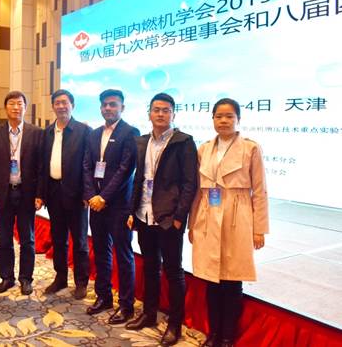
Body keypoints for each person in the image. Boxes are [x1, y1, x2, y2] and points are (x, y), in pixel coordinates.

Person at [188, 98, 269, 347]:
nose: (223, 121)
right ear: (212, 119)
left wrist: (259, 229)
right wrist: (192, 223)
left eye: (229, 116)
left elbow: (260, 190)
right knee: (211, 279)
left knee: (233, 280)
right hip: (207, 215)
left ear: (238, 119)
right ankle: (213, 333)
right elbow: (197, 191)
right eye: (219, 116)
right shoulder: (203, 149)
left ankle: (227, 337)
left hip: (238, 215)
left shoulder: (250, 148)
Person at [125, 93, 198, 346]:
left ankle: (174, 324)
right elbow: (139, 178)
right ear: (149, 113)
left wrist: (179, 218)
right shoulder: (142, 141)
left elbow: (190, 183)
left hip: (169, 218)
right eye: (156, 110)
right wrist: (132, 211)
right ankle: (149, 314)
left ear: (173, 114)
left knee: (173, 272)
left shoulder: (183, 142)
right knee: (150, 267)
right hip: (144, 214)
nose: (160, 114)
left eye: (166, 110)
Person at [83, 89, 139, 325]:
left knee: (123, 255)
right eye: (105, 105)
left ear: (122, 108)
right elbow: (86, 166)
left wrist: (103, 197)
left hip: (119, 205)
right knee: (101, 251)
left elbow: (126, 170)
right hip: (96, 204)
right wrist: (90, 196)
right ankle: (104, 296)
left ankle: (126, 305)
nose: (108, 108)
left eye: (113, 104)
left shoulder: (131, 133)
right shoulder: (94, 134)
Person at [0, 90, 43, 295]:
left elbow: (41, 167)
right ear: (5, 108)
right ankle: (7, 277)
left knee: (27, 239)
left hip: (27, 193)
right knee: (4, 239)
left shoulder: (36, 132)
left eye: (20, 104)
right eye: (12, 104)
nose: (16, 107)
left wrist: (39, 194)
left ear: (25, 108)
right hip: (3, 193)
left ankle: (26, 279)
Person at [41, 89, 91, 300]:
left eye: (65, 102)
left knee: (79, 241)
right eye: (57, 103)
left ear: (73, 105)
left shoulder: (84, 131)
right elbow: (42, 165)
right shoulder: (47, 132)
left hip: (77, 195)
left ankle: (81, 282)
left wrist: (88, 193)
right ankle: (60, 277)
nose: (61, 106)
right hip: (54, 193)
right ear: (53, 106)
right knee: (58, 239)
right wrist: (41, 193)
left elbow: (88, 165)